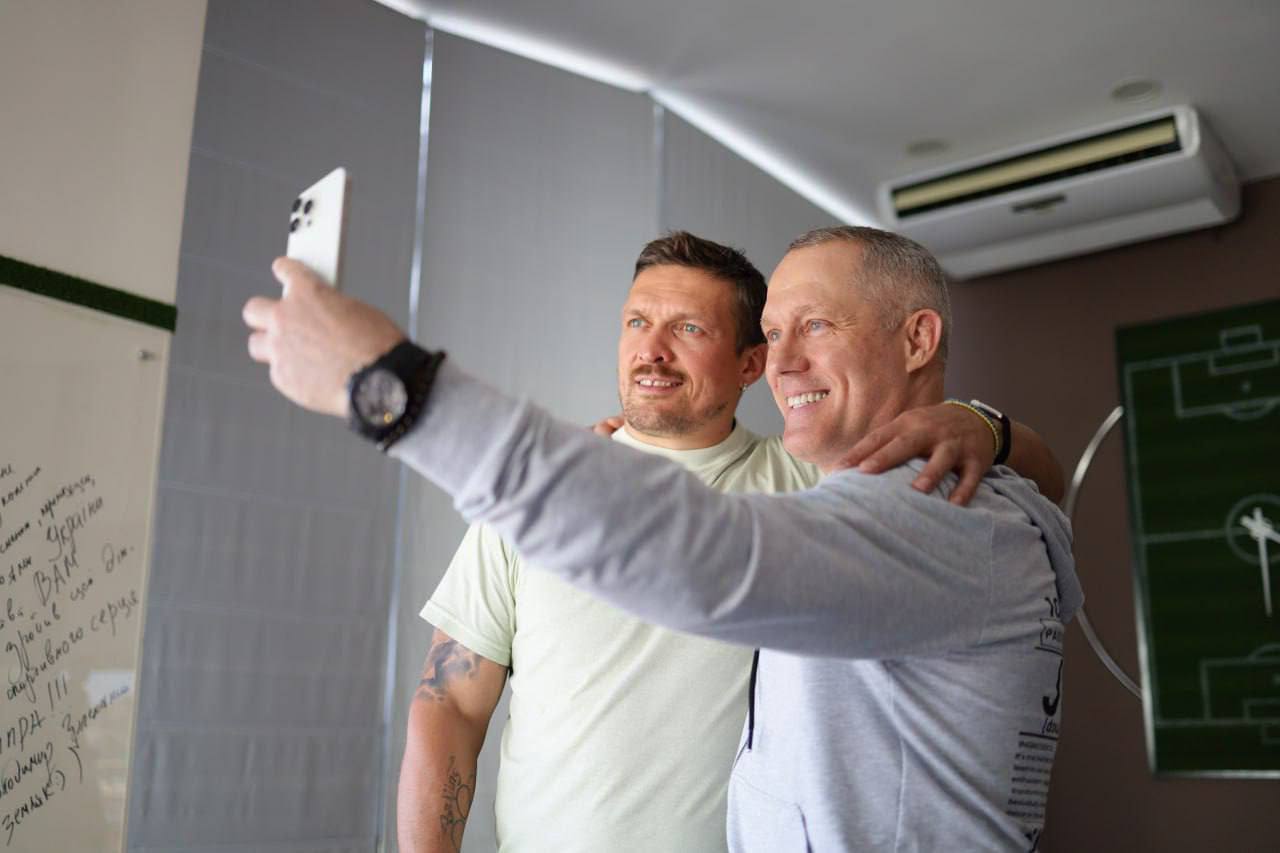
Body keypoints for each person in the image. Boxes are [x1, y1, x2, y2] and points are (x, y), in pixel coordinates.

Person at [244, 226, 1080, 851]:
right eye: (776, 332)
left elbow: (700, 558)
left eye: (816, 326)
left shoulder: (915, 508)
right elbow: (450, 702)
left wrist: (390, 385)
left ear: (917, 338)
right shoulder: (928, 498)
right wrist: (990, 427)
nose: (785, 361)